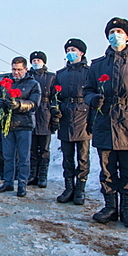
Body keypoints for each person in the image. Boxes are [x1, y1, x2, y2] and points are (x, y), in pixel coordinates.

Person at [84, 18, 128, 228]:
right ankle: (110, 206)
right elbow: (87, 90)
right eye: (111, 31)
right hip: (105, 121)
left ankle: (127, 209)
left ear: (127, 35)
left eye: (119, 31)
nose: (115, 35)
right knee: (107, 169)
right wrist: (92, 99)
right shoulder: (98, 64)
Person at [0, 56, 41, 197]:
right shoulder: (5, 83)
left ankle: (22, 184)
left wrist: (18, 105)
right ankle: (8, 183)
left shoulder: (33, 84)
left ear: (25, 69)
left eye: (19, 70)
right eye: (14, 69)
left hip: (24, 124)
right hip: (8, 124)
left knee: (24, 157)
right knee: (8, 156)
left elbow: (34, 104)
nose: (16, 72)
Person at [53, 39, 91, 205]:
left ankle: (80, 189)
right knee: (67, 156)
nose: (70, 52)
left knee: (83, 157)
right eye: (68, 49)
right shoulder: (60, 74)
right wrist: (55, 108)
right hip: (66, 117)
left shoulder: (89, 72)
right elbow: (55, 96)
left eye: (73, 49)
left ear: (81, 52)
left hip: (83, 116)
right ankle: (69, 187)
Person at [27, 51, 55, 188]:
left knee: (44, 149)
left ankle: (43, 175)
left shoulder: (51, 77)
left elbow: (56, 97)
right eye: (34, 60)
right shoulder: (27, 77)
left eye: (39, 60)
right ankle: (33, 174)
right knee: (32, 148)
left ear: (44, 62)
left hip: (45, 114)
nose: (36, 62)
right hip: (30, 112)